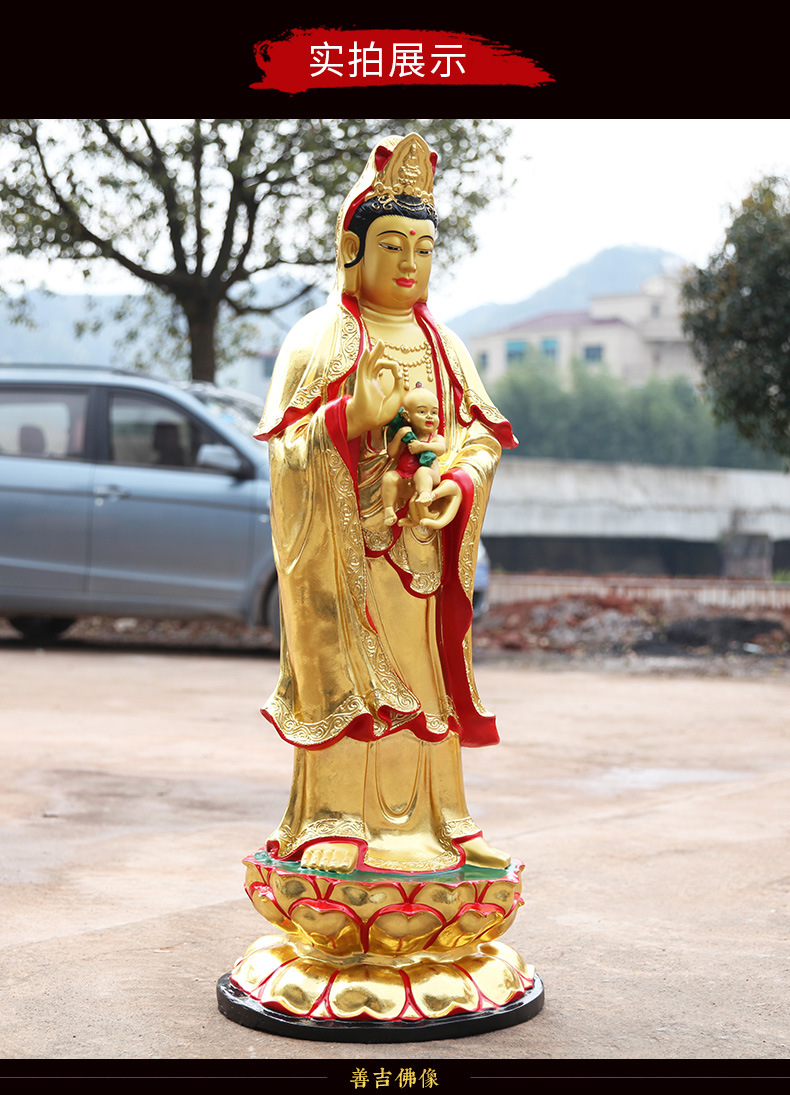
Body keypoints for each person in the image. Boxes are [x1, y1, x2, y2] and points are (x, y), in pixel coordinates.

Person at [255, 133, 517, 874]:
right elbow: (287, 447)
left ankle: (445, 820)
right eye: (393, 246)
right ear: (353, 249)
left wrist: (456, 485)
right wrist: (350, 419)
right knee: (351, 681)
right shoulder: (319, 341)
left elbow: (479, 438)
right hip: (348, 558)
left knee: (428, 681)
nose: (409, 264)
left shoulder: (446, 347)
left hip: (421, 554)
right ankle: (333, 819)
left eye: (424, 249)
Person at [381, 385, 446, 527]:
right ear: (407, 416)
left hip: (429, 478)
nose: (429, 416)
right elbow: (392, 453)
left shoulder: (435, 438)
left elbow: (441, 449)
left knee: (422, 472)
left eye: (434, 412)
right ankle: (389, 509)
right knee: (389, 477)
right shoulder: (408, 436)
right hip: (405, 479)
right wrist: (399, 435)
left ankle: (425, 494)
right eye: (422, 411)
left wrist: (422, 447)